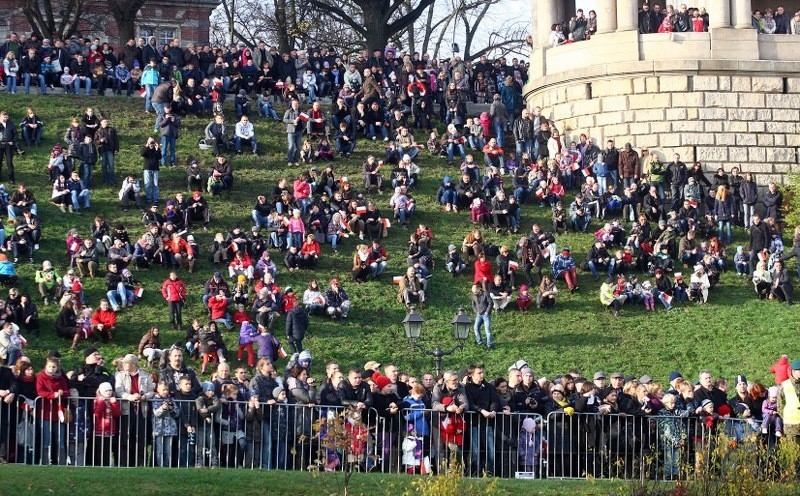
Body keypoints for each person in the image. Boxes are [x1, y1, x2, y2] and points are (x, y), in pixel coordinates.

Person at [283, 98, 303, 166]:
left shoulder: (301, 112)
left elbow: (306, 119)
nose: (295, 105)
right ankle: (289, 160)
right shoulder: (288, 111)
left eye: (296, 104)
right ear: (291, 104)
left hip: (299, 131)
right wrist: (292, 121)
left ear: (298, 105)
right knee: (291, 146)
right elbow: (284, 120)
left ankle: (295, 160)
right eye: (294, 104)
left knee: (298, 147)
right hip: (291, 131)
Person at [0, 111, 19, 183]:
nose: (6, 118)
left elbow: (16, 134)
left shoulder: (11, 124)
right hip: (0, 144)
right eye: (4, 117)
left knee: (9, 162)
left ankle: (11, 178)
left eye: (7, 117)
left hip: (8, 144)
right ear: (1, 117)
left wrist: (13, 141)